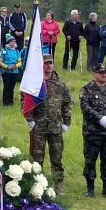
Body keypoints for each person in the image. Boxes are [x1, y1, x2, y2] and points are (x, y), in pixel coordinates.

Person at [78, 62, 106, 198]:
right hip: (92, 131)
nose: (104, 75)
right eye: (101, 72)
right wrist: (99, 118)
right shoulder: (86, 89)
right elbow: (85, 107)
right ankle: (90, 188)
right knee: (90, 158)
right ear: (95, 74)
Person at [26, 53, 71, 186]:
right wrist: (30, 119)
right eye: (46, 63)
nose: (49, 66)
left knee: (56, 158)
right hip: (38, 126)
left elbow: (67, 103)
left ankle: (57, 184)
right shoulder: (35, 83)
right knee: (37, 158)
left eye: (50, 63)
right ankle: (36, 185)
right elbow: (26, 101)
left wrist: (66, 122)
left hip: (56, 127)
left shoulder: (60, 85)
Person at [0, 36, 24, 105]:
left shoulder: (17, 51)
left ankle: (11, 102)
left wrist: (15, 66)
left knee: (12, 87)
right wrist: (7, 67)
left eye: (14, 41)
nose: (14, 42)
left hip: (14, 72)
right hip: (6, 72)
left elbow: (20, 62)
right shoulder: (4, 50)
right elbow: (0, 61)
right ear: (8, 42)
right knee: (7, 87)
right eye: (12, 41)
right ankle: (5, 102)